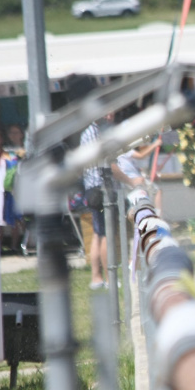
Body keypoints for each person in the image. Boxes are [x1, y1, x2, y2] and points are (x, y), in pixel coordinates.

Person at [81, 114, 113, 289]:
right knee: (105, 234)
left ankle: (96, 277)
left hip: (91, 188)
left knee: (97, 234)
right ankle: (109, 278)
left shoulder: (87, 132)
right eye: (108, 112)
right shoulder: (95, 132)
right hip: (99, 189)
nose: (111, 116)